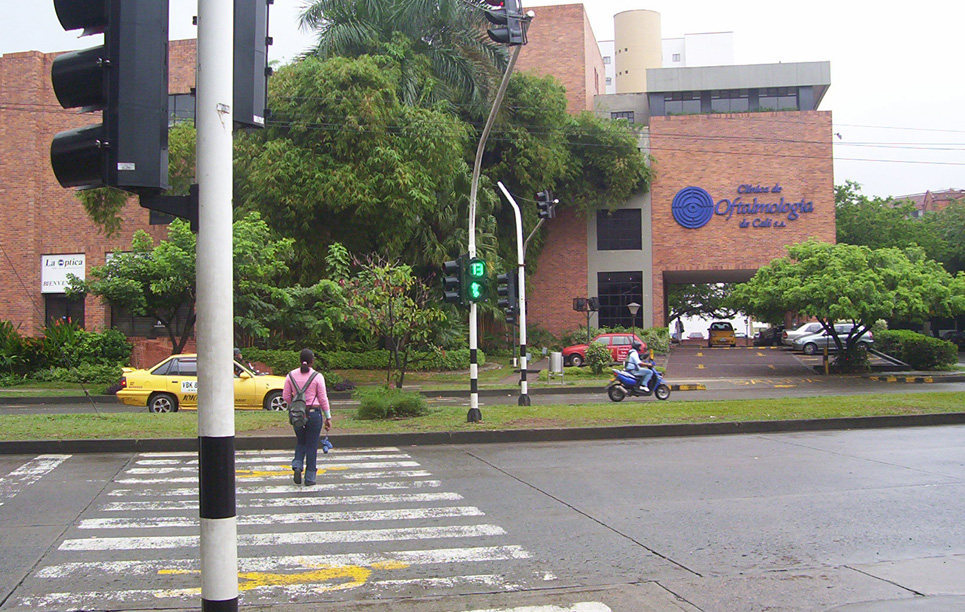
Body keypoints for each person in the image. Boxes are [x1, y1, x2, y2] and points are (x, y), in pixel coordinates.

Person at [283, 348, 332, 486]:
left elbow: (286, 396)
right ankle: (310, 477)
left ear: (300, 360)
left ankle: (297, 465)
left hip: (297, 415)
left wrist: (295, 405)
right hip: (314, 414)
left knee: (301, 441)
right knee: (311, 445)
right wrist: (328, 417)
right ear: (312, 361)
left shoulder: (290, 376)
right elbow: (323, 398)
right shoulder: (317, 377)